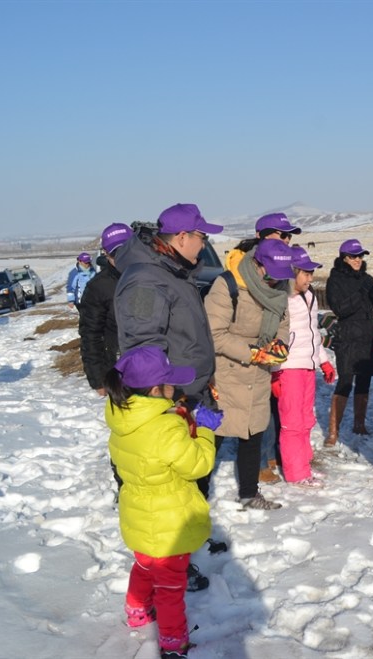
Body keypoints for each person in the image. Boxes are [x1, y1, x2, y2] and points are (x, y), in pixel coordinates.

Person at [114, 202, 226, 588]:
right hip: (172, 399)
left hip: (189, 391)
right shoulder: (147, 281)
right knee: (174, 484)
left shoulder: (169, 271)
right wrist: (169, 401)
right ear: (181, 237)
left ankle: (188, 542)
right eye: (202, 236)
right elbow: (143, 348)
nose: (204, 243)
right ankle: (172, 562)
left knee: (192, 482)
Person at [104, 345, 220, 659]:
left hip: (139, 516)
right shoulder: (164, 428)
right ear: (156, 390)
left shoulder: (122, 420)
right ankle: (173, 642)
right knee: (170, 587)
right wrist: (206, 432)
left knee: (144, 565)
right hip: (168, 524)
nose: (175, 388)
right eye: (170, 383)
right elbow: (197, 465)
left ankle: (137, 610)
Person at [204, 239, 294, 510]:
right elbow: (214, 334)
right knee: (214, 438)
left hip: (258, 375)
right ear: (258, 265)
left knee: (253, 434)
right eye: (272, 277)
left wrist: (279, 347)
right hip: (227, 373)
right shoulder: (227, 285)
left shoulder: (279, 287)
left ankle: (248, 493)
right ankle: (196, 495)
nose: (276, 284)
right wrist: (254, 352)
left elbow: (282, 323)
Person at [274, 246, 336, 487]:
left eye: (311, 273)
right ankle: (295, 473)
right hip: (289, 367)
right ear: (292, 273)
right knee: (292, 422)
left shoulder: (309, 297)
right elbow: (274, 337)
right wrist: (274, 371)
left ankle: (304, 464)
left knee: (306, 418)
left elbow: (313, 334)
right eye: (306, 273)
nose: (310, 278)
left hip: (307, 366)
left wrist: (323, 360)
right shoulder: (283, 299)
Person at [323, 238, 373, 445]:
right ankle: (333, 431)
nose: (358, 259)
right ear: (344, 258)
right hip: (348, 338)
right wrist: (361, 290)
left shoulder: (366, 279)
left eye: (360, 256)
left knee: (364, 381)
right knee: (344, 381)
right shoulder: (335, 280)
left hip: (368, 336)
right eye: (353, 256)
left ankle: (359, 425)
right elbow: (340, 309)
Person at [79, 223, 133, 397]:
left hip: (158, 366)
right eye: (116, 253)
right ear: (107, 254)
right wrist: (98, 378)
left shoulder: (153, 275)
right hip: (120, 370)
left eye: (127, 250)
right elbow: (90, 335)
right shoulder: (98, 288)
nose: (122, 257)